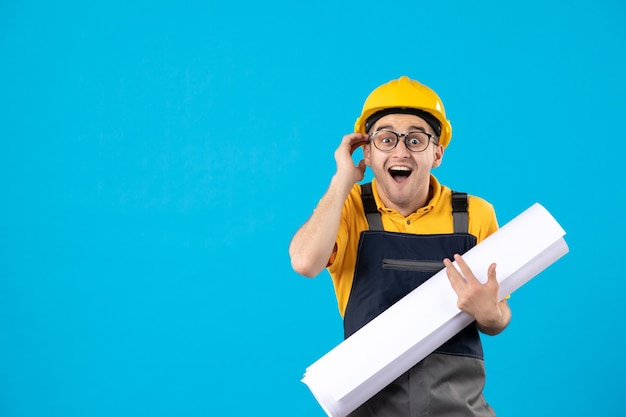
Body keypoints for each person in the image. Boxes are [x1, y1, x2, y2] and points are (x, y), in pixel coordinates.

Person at [289, 75, 512, 417]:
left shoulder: (474, 215)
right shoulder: (347, 209)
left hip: (458, 410)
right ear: (367, 150)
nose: (400, 150)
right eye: (386, 138)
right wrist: (341, 181)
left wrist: (488, 312)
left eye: (415, 139)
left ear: (437, 153)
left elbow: (498, 318)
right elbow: (304, 263)